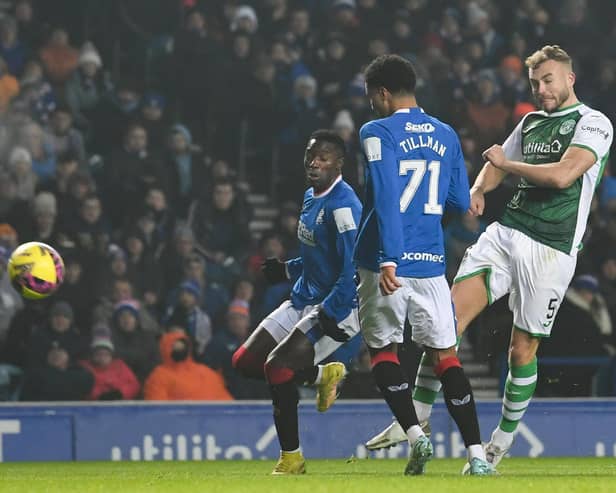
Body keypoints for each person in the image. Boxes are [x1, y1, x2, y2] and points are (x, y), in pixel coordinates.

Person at [365, 45, 614, 471]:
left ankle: (499, 442)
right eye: (535, 83)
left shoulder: (594, 123)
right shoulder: (531, 122)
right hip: (505, 234)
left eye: (548, 80)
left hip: (552, 250)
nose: (541, 90)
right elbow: (496, 164)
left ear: (570, 79)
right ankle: (417, 422)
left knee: (521, 351)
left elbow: (562, 175)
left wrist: (507, 164)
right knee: (446, 326)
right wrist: (480, 187)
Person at [354, 54, 492, 476]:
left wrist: (392, 256)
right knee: (446, 357)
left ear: (381, 93)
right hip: (432, 263)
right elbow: (456, 201)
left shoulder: (376, 131)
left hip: (385, 263)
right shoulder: (447, 134)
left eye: (370, 97)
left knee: (382, 350)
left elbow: (385, 195)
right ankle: (478, 457)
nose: (370, 105)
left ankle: (415, 435)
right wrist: (425, 228)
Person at [231, 129, 362, 475]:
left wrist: (333, 310)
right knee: (244, 362)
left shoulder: (345, 205)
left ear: (340, 164)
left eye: (323, 157)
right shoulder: (310, 196)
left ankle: (292, 460)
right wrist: (287, 270)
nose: (314, 162)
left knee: (277, 368)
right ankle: (322, 375)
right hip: (302, 299)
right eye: (310, 156)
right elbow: (319, 256)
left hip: (336, 306)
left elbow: (352, 267)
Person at [143, 331, 233, 401]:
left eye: (182, 346)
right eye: (174, 346)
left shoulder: (207, 372)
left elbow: (225, 401)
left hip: (212, 422)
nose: (180, 348)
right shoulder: (159, 376)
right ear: (165, 349)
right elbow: (157, 410)